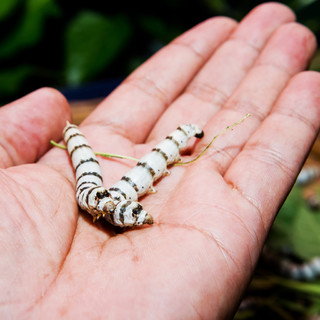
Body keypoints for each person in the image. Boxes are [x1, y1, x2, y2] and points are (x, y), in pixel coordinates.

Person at [0, 2, 319, 319]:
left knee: (139, 164)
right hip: (106, 188)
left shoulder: (110, 199)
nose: (145, 216)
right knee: (122, 166)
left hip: (113, 188)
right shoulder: (105, 200)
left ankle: (174, 136)